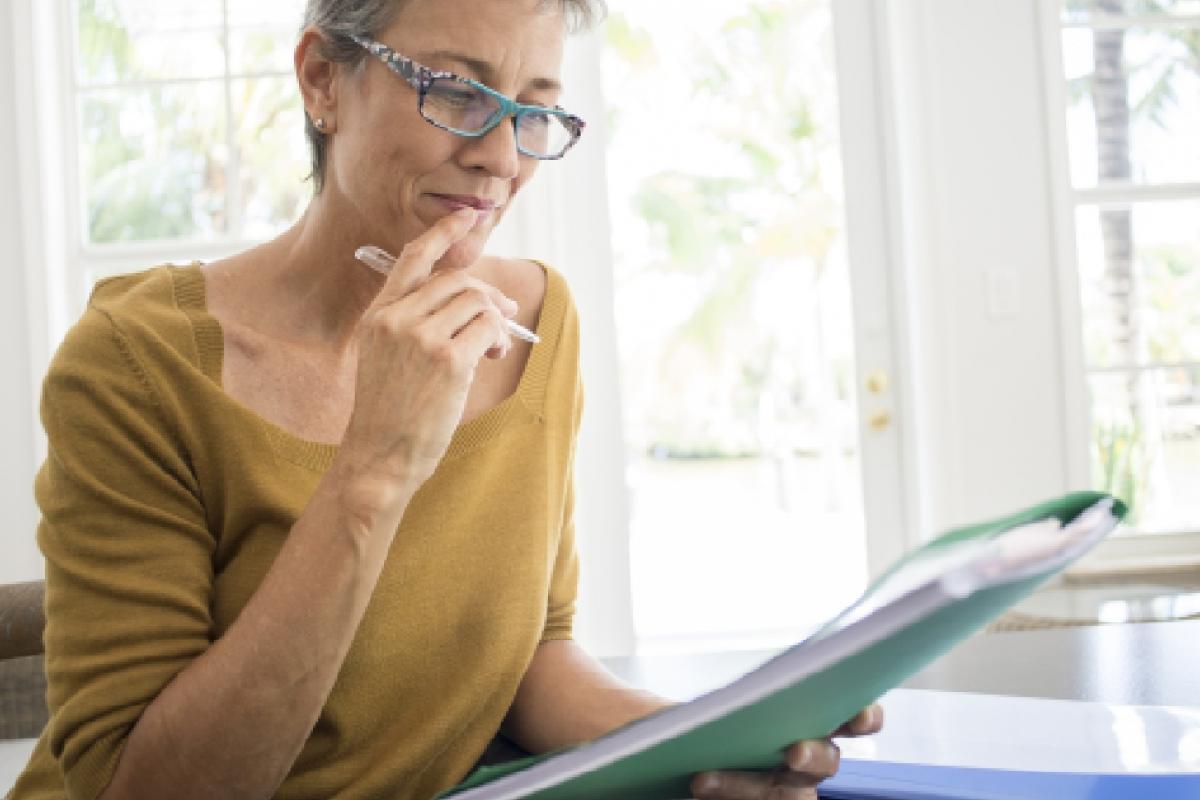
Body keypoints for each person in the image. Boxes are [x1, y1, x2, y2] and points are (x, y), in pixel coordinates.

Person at [10, 1, 882, 798]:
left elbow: (530, 654)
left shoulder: (540, 323)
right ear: (322, 80)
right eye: (457, 93)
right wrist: (374, 467)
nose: (501, 159)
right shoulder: (136, 363)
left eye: (533, 110)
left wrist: (699, 739)